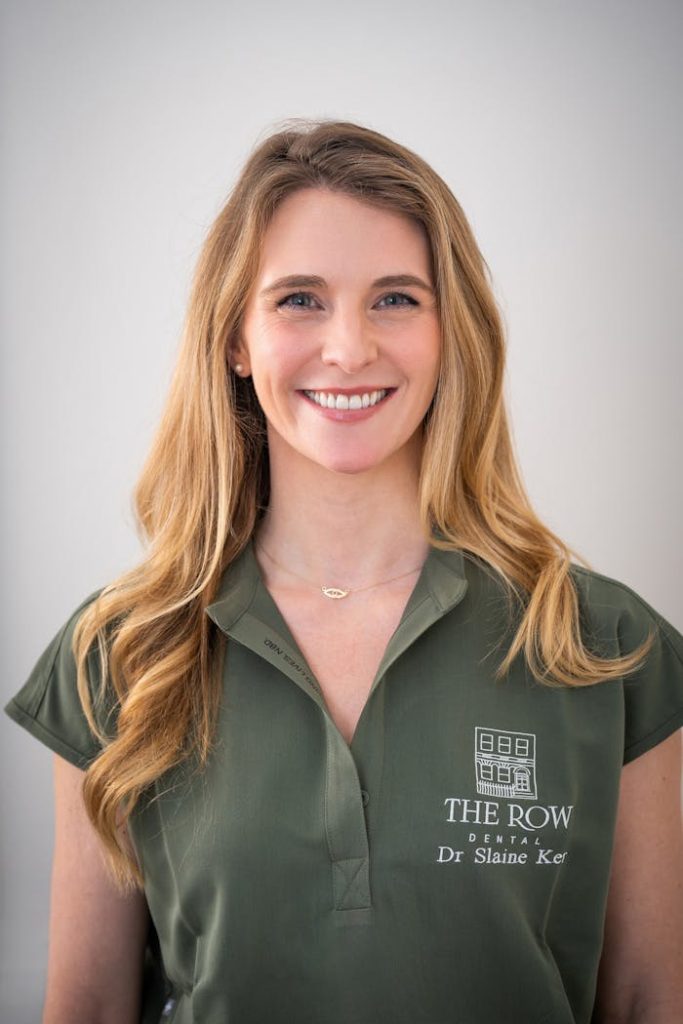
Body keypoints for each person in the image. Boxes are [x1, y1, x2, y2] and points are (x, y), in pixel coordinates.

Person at [5, 118, 683, 1024]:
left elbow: (649, 1001)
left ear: (450, 333)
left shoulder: (605, 647)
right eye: (299, 299)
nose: (349, 348)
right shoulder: (120, 655)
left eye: (395, 299)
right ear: (235, 340)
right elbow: (87, 1008)